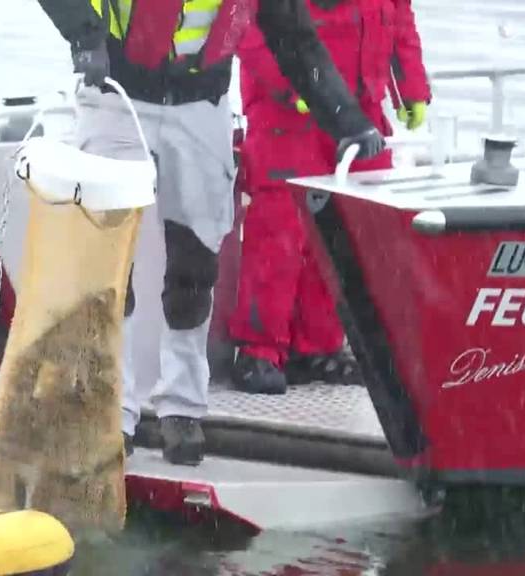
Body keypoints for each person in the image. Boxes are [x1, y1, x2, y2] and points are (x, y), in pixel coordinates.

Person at [34, 0, 387, 466]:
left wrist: (347, 118)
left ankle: (182, 407)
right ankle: (111, 410)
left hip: (202, 105)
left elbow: (293, 37)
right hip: (116, 97)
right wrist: (83, 35)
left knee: (195, 265)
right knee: (108, 260)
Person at [228, 0, 431, 395]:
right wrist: (290, 86)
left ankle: (319, 346)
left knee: (348, 234)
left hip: (361, 115)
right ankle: (259, 352)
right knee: (278, 238)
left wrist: (411, 88)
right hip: (288, 114)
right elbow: (248, 28)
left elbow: (400, 16)